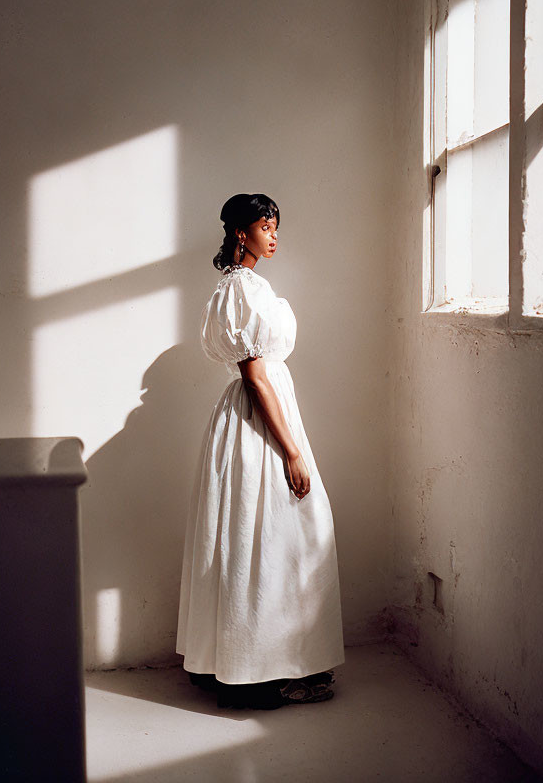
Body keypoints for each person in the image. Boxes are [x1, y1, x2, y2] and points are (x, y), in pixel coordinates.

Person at [176, 193, 345, 709]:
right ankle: (257, 671)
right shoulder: (240, 289)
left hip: (258, 415)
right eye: (265, 225)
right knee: (270, 537)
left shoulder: (243, 285)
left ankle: (253, 660)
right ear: (239, 233)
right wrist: (292, 451)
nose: (274, 234)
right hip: (257, 420)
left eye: (276, 225)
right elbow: (254, 376)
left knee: (263, 537)